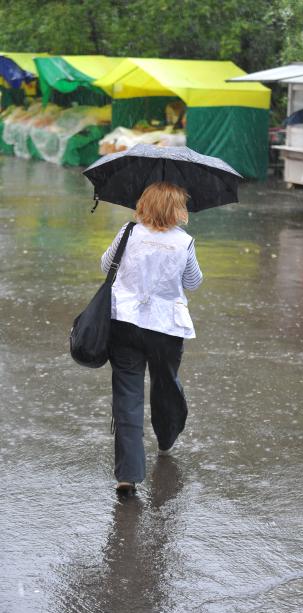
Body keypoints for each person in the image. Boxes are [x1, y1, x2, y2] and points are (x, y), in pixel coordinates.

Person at [100, 182, 203, 494]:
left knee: (127, 395)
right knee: (165, 382)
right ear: (177, 209)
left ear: (144, 204)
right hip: (165, 328)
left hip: (125, 323)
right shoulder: (183, 242)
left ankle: (128, 475)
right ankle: (167, 436)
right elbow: (193, 282)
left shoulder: (128, 232)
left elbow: (106, 266)